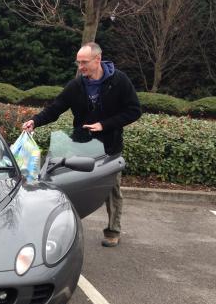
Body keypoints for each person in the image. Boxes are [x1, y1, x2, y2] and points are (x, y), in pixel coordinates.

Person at [22, 42, 141, 247]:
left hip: (109, 148)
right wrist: (35, 121)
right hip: (81, 147)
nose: (80, 67)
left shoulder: (119, 81)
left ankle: (113, 230)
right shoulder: (77, 85)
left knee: (112, 191)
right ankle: (66, 228)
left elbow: (134, 111)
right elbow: (55, 108)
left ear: (98, 59)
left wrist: (104, 125)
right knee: (72, 186)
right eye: (78, 62)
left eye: (84, 62)